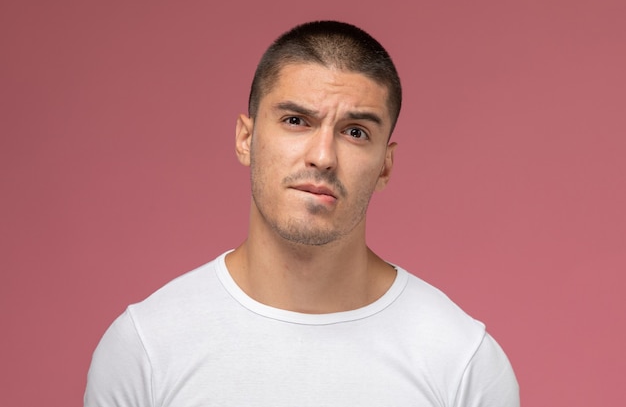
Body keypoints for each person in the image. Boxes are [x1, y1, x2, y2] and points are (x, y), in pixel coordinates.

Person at [84, 20, 519, 407]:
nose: (323, 156)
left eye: (355, 132)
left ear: (385, 164)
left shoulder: (463, 363)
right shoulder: (145, 348)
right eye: (296, 121)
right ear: (245, 138)